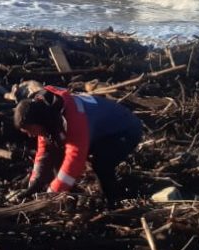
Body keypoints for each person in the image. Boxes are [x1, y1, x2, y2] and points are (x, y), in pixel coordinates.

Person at [8, 81, 142, 204]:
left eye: (31, 130)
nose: (31, 135)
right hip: (99, 133)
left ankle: (115, 201)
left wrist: (52, 194)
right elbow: (45, 153)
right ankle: (67, 195)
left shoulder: (74, 117)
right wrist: (33, 187)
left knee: (102, 164)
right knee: (57, 153)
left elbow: (75, 159)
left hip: (125, 130)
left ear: (38, 122)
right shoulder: (47, 115)